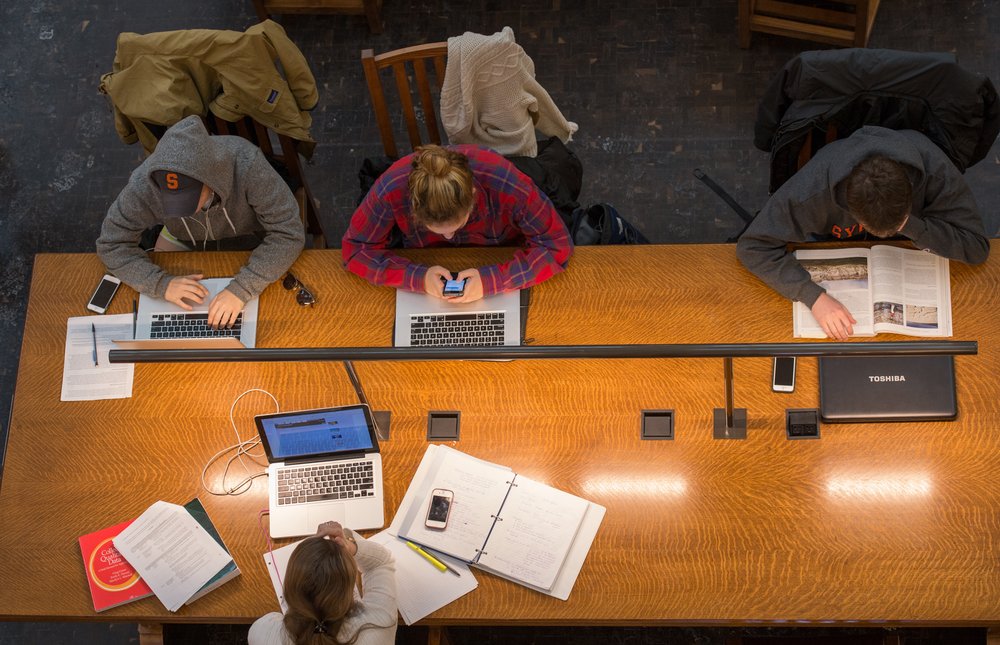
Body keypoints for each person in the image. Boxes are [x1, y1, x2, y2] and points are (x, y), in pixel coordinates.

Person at [737, 126, 990, 340]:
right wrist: (812, 297)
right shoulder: (812, 192)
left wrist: (911, 225)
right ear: (850, 210)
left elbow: (977, 247)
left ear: (910, 193)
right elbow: (752, 246)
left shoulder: (935, 170)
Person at [96, 115, 305, 328]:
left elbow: (288, 233)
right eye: (170, 199)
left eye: (188, 198)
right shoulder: (145, 184)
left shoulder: (247, 163)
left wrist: (242, 289)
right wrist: (161, 284)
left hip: (250, 239)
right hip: (184, 238)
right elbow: (111, 244)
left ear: (211, 178)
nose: (182, 210)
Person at [342, 144, 573, 303]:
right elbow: (355, 249)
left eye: (457, 225)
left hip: (499, 258)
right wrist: (416, 277)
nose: (449, 237)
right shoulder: (390, 188)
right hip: (428, 263)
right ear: (413, 205)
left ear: (473, 196)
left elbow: (557, 245)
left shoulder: (507, 183)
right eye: (436, 230)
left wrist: (493, 281)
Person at [248, 521, 397, 645]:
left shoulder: (263, 633)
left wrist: (309, 558)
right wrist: (349, 546)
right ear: (347, 593)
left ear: (290, 588)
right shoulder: (379, 625)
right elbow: (381, 562)